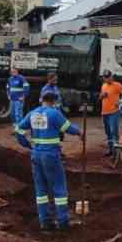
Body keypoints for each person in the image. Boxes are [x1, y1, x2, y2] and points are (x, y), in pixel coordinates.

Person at [15, 91, 82, 231]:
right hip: (51, 155)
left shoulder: (33, 113)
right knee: (59, 187)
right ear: (54, 101)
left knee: (41, 189)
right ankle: (63, 221)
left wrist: (27, 145)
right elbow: (68, 128)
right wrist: (80, 133)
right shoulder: (54, 113)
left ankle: (45, 221)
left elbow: (19, 130)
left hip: (36, 155)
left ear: (41, 100)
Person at [99, 70, 122, 159]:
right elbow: (100, 97)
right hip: (104, 112)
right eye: (106, 77)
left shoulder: (117, 85)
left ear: (112, 76)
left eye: (109, 77)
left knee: (114, 131)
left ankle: (116, 153)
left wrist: (121, 102)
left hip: (114, 111)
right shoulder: (103, 86)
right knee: (108, 132)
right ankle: (111, 150)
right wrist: (102, 95)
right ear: (104, 78)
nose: (108, 79)